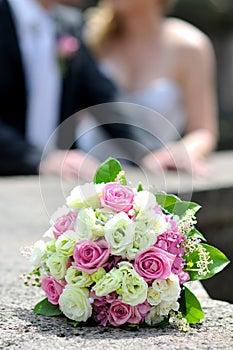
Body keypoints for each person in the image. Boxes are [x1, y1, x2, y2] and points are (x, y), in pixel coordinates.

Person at [83, 0, 218, 175]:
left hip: (150, 177)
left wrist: (181, 153)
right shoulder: (91, 40)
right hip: (84, 177)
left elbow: (203, 130)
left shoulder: (189, 46)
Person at [0, 0, 116, 178]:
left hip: (54, 187)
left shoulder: (70, 23)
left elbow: (105, 98)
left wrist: (151, 152)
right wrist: (39, 159)